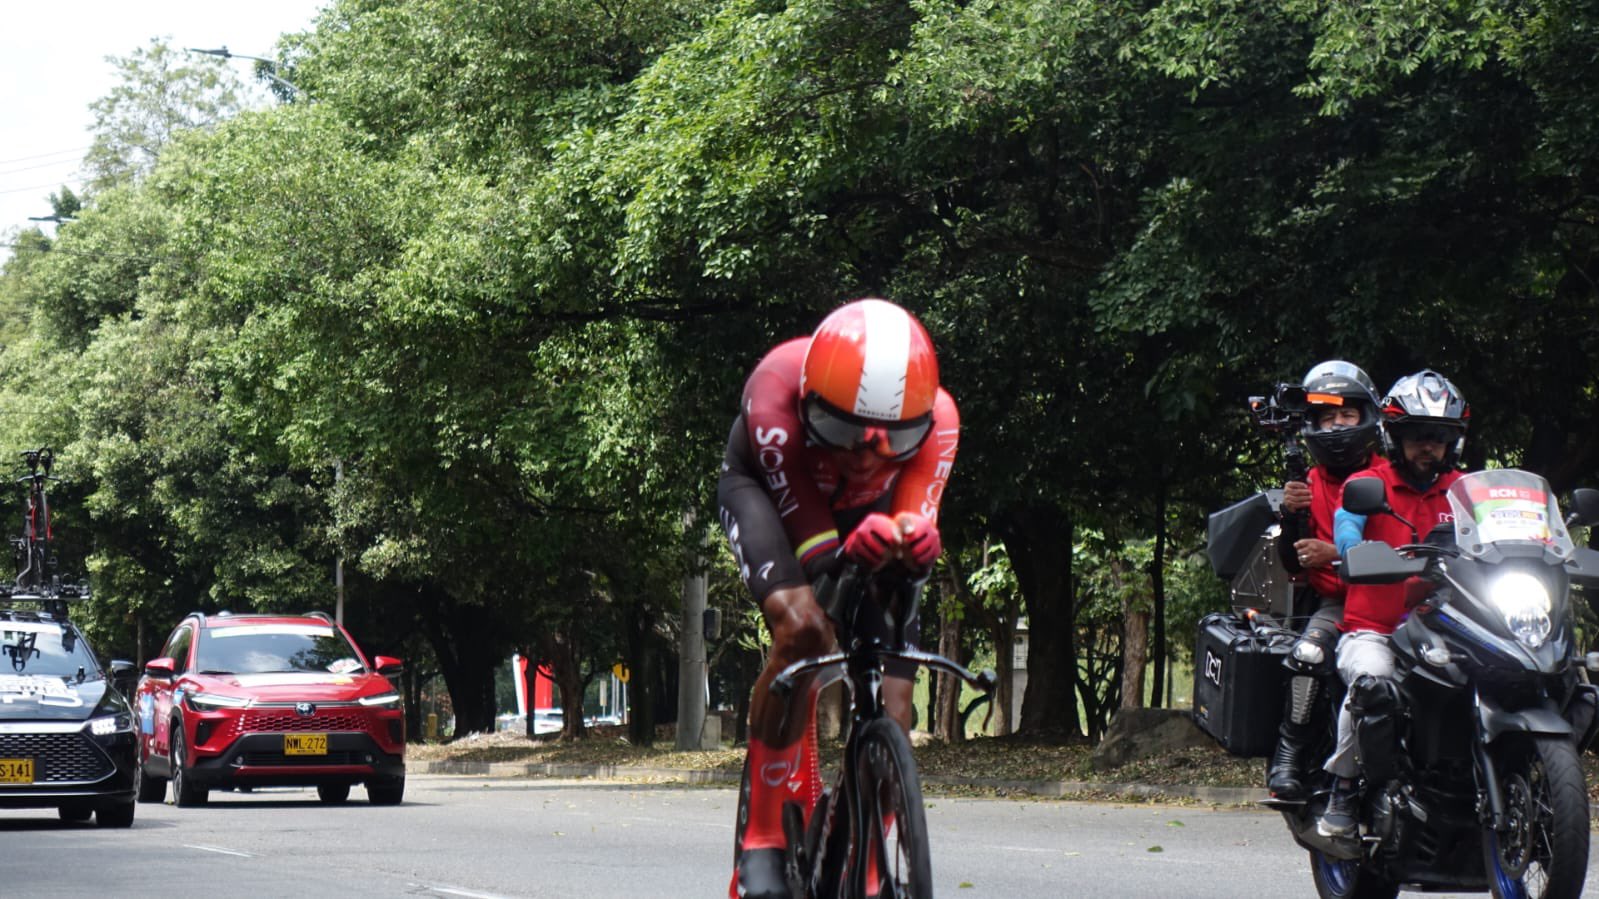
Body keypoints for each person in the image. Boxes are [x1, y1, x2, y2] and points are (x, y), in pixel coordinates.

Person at [717, 298, 960, 899]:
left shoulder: (941, 422)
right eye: (844, 431)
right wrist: (845, 556)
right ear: (811, 403)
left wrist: (914, 548)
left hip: (866, 516)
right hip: (773, 494)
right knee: (805, 628)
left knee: (896, 706)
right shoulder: (775, 391)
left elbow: (908, 538)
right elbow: (823, 565)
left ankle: (867, 840)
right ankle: (764, 836)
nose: (864, 455)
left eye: (891, 440)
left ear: (920, 424)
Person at [1318, 369, 1469, 838]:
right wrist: (1351, 551)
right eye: (1419, 435)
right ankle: (1343, 788)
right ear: (1395, 436)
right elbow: (1347, 524)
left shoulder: (1465, 491)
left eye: (1440, 437)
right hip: (1376, 628)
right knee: (1372, 683)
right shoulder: (1368, 483)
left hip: (1447, 629)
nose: (1430, 446)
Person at [1267, 361, 1387, 801]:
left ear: (1365, 419)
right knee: (1309, 652)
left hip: (1388, 599)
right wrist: (1291, 515)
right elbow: (1291, 564)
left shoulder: (1387, 478)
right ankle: (1289, 752)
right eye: (1327, 417)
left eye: (1347, 415)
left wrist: (1333, 552)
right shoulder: (1308, 482)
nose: (1337, 426)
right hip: (1337, 604)